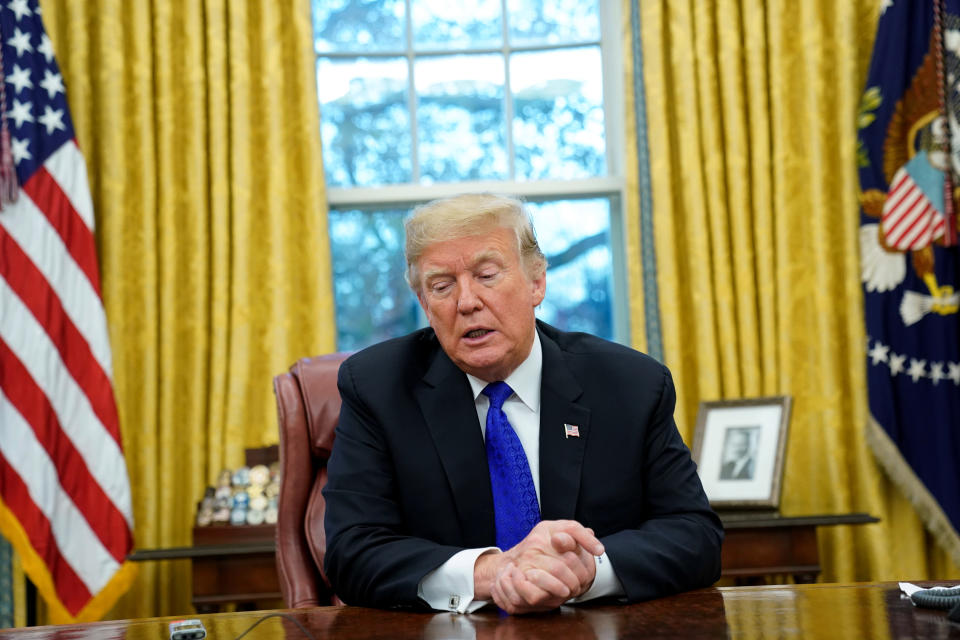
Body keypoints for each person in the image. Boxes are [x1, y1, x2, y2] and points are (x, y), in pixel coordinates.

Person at [322, 193, 723, 615]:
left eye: (487, 275)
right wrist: (494, 571)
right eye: (441, 286)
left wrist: (587, 569)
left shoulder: (630, 385)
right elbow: (352, 553)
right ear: (424, 303)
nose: (467, 301)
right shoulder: (378, 388)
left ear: (537, 282)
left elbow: (695, 535)